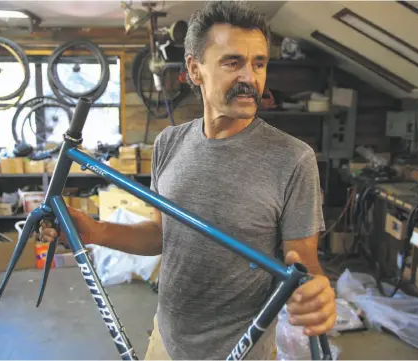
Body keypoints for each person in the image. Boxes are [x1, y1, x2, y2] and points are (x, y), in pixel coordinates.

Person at [40, 1, 336, 359]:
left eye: (259, 63)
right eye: (232, 62)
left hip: (242, 352)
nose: (250, 77)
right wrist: (94, 231)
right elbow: (162, 235)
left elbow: (302, 260)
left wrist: (315, 289)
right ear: (195, 70)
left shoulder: (293, 158)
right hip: (166, 342)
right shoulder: (169, 143)